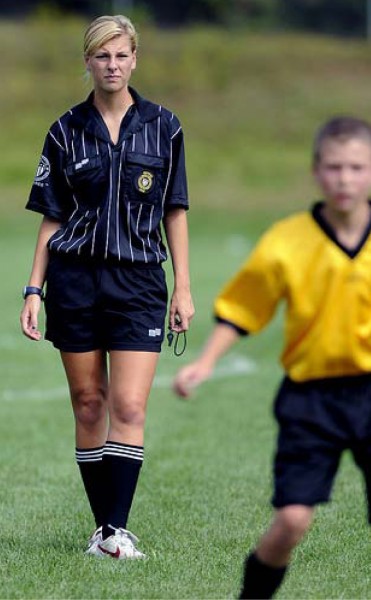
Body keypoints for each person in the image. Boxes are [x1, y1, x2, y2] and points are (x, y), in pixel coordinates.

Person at [173, 116, 371, 597]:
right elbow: (243, 309)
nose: (344, 179)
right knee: (292, 521)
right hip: (310, 399)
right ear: (315, 172)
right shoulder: (287, 240)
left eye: (356, 167)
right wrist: (205, 362)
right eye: (334, 167)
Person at [20, 14, 194, 560]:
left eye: (121, 55)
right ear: (88, 63)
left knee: (130, 405)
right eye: (102, 56)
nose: (112, 65)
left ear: (135, 59)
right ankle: (106, 531)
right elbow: (52, 217)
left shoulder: (165, 127)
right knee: (89, 402)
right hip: (75, 280)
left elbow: (175, 209)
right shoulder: (64, 130)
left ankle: (116, 531)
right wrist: (33, 289)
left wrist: (183, 287)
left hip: (140, 279)